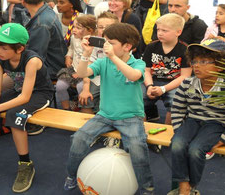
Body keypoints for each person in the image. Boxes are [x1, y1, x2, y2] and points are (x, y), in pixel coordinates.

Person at [64, 23, 156, 195]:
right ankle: (71, 175)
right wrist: (86, 53)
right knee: (78, 138)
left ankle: (147, 188)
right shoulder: (103, 62)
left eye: (111, 42)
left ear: (127, 46)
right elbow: (83, 73)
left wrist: (114, 57)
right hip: (105, 115)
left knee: (137, 147)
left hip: (130, 117)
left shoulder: (138, 63)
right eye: (105, 41)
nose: (106, 46)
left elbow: (134, 76)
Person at [0, 23, 54, 193]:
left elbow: (25, 98)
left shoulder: (32, 60)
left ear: (19, 48)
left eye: (4, 48)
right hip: (19, 90)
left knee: (15, 116)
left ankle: (26, 164)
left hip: (40, 93)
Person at [168, 39, 225, 195]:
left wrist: (223, 140)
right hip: (192, 121)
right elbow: (177, 109)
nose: (196, 65)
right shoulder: (187, 84)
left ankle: (192, 185)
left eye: (204, 61)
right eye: (195, 61)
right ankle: (183, 185)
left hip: (215, 124)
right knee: (177, 144)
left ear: (221, 65)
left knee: (196, 150)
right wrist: (179, 130)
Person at [143, 14, 192, 125]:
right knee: (136, 98)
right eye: (158, 29)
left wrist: (163, 89)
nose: (159, 33)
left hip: (173, 83)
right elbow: (146, 70)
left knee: (175, 103)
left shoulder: (185, 49)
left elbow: (185, 76)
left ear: (178, 32)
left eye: (165, 30)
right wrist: (149, 86)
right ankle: (142, 128)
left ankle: (167, 132)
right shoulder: (151, 46)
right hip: (152, 80)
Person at [18, 0, 67, 80]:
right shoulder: (47, 11)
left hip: (49, 70)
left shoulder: (41, 24)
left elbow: (34, 57)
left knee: (1, 78)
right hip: (52, 65)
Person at [78, 12, 119, 117]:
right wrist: (86, 88)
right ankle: (91, 127)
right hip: (97, 79)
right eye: (100, 27)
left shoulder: (122, 43)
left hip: (116, 80)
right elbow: (88, 67)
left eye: (108, 27)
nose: (104, 30)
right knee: (85, 99)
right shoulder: (95, 43)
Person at [56, 15, 96, 112]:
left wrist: (80, 73)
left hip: (88, 72)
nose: (74, 30)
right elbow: (71, 48)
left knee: (80, 87)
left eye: (78, 28)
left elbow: (92, 61)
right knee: (60, 86)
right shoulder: (74, 38)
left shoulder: (93, 43)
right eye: (73, 27)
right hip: (74, 68)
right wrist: (68, 56)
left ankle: (81, 108)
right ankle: (66, 109)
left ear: (89, 30)